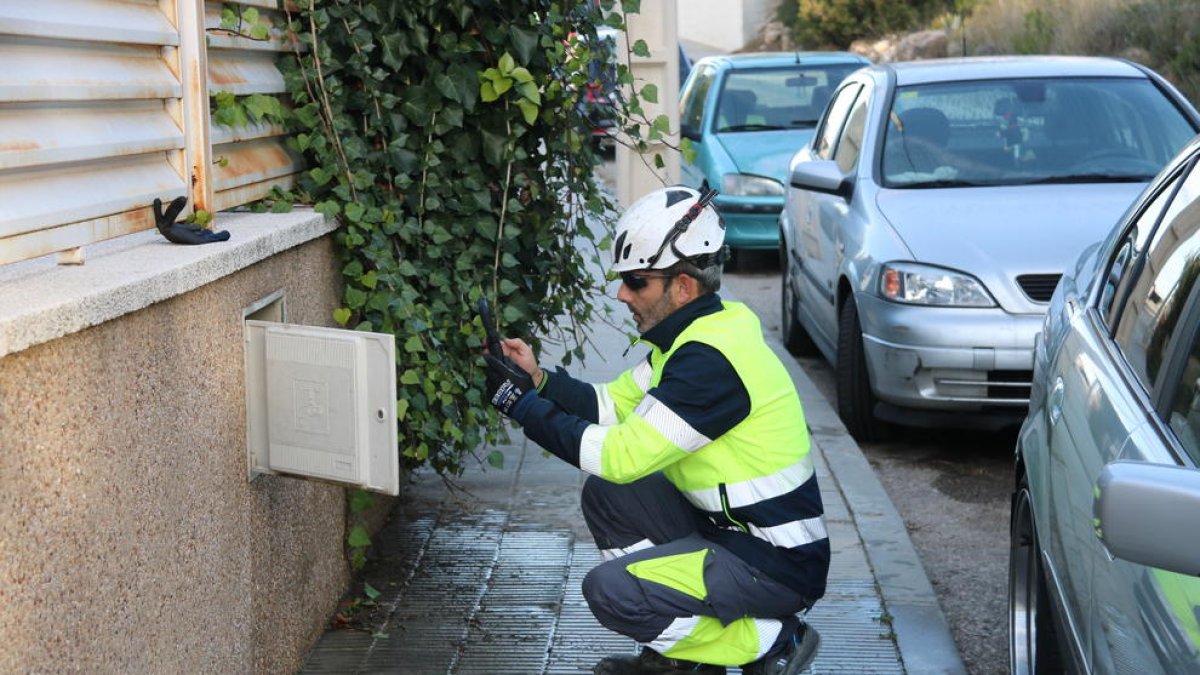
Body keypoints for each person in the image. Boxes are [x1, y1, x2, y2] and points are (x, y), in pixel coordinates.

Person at [482, 185, 830, 675]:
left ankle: (773, 642)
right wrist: (537, 381)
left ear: (683, 286)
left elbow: (619, 454)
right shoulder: (694, 336)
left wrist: (519, 405)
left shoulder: (710, 363)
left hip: (772, 565)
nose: (623, 293)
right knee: (609, 495)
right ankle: (683, 656)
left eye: (637, 281)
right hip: (730, 537)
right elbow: (610, 406)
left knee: (610, 591)